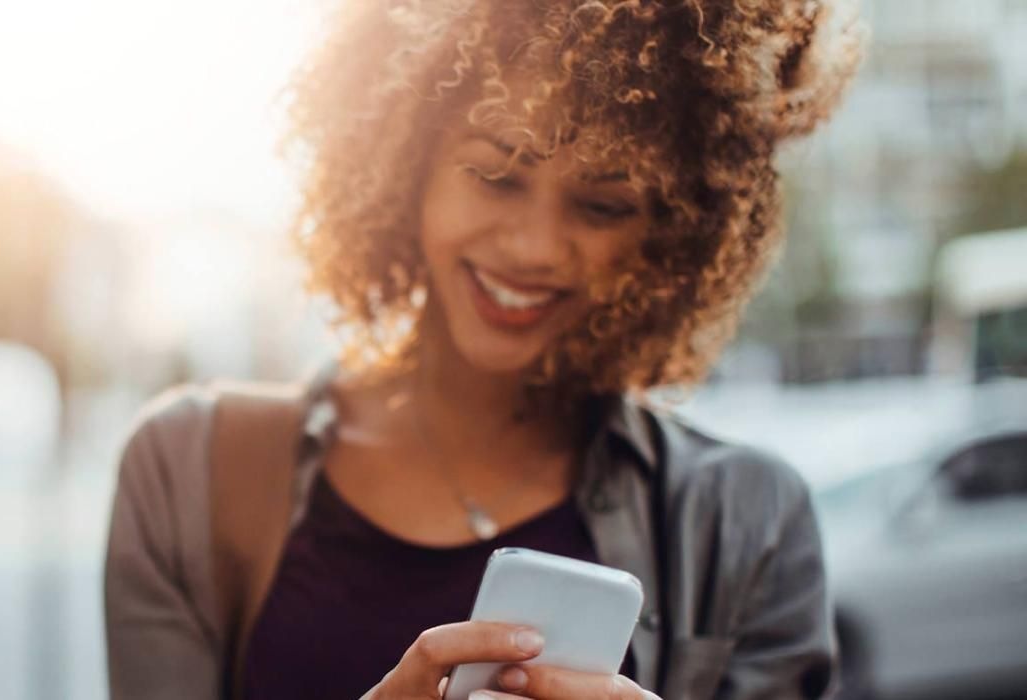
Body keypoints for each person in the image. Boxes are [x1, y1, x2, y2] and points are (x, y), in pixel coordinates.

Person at [103, 0, 864, 698]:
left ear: (671, 233)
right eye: (496, 174)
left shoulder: (749, 522)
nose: (534, 248)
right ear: (404, 160)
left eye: (603, 205)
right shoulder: (190, 472)